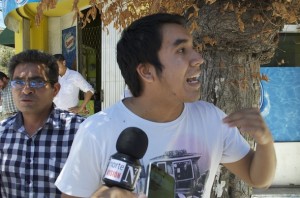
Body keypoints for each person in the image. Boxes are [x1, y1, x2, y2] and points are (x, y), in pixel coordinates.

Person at [55, 13, 276, 198]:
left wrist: (265, 141)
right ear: (147, 71)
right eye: (181, 50)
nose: (198, 58)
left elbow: (257, 178)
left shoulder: (212, 119)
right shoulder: (96, 131)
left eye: (193, 48)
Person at [0, 49, 85, 197]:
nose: (26, 90)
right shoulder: (2, 134)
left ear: (55, 89)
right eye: (18, 82)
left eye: (37, 82)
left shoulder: (80, 132)